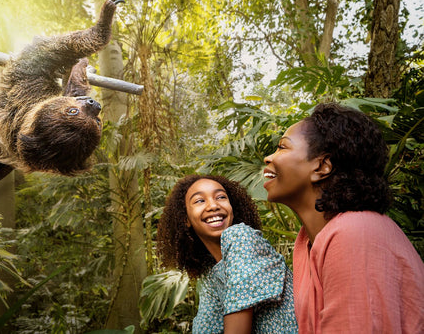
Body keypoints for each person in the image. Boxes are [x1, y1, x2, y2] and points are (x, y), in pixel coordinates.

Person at [263, 102, 424, 333]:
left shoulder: (356, 233)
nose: (269, 158)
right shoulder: (308, 243)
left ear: (322, 166)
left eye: (282, 147)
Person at [157, 174, 298, 333]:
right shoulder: (212, 275)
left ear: (232, 208)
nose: (213, 206)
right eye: (200, 201)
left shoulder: (241, 237)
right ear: (185, 220)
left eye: (221, 197)